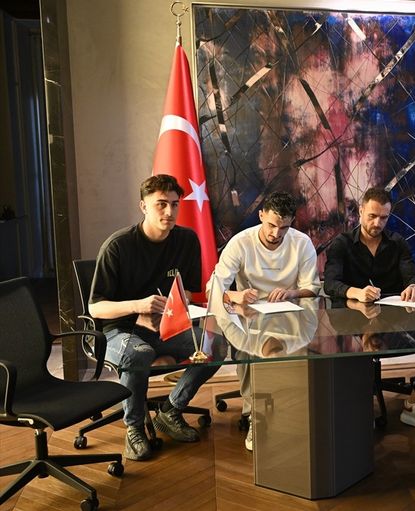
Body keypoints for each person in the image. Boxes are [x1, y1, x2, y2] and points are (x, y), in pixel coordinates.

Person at [89, 175, 220, 461]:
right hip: (118, 331)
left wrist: (175, 309)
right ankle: (134, 428)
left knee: (215, 345)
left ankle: (171, 410)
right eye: (161, 204)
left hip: (165, 326)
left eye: (174, 204)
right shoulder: (118, 246)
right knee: (139, 353)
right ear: (143, 206)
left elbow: (187, 291)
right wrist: (139, 307)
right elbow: (96, 308)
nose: (169, 211)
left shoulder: (187, 240)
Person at [324, 187, 415, 434]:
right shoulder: (342, 244)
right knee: (340, 351)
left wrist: (413, 286)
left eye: (384, 218)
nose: (377, 223)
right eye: (372, 216)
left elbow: (413, 276)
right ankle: (356, 407)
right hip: (353, 321)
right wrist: (355, 292)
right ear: (360, 212)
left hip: (394, 319)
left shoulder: (397, 242)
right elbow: (330, 283)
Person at [208, 192, 321, 451]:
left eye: (284, 227)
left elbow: (312, 289)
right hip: (249, 315)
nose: (276, 233)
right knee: (247, 348)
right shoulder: (241, 243)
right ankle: (254, 414)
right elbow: (213, 287)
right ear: (261, 216)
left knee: (306, 346)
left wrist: (291, 293)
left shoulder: (301, 243)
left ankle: (293, 409)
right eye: (271, 225)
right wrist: (235, 295)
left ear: (292, 223)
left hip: (290, 315)